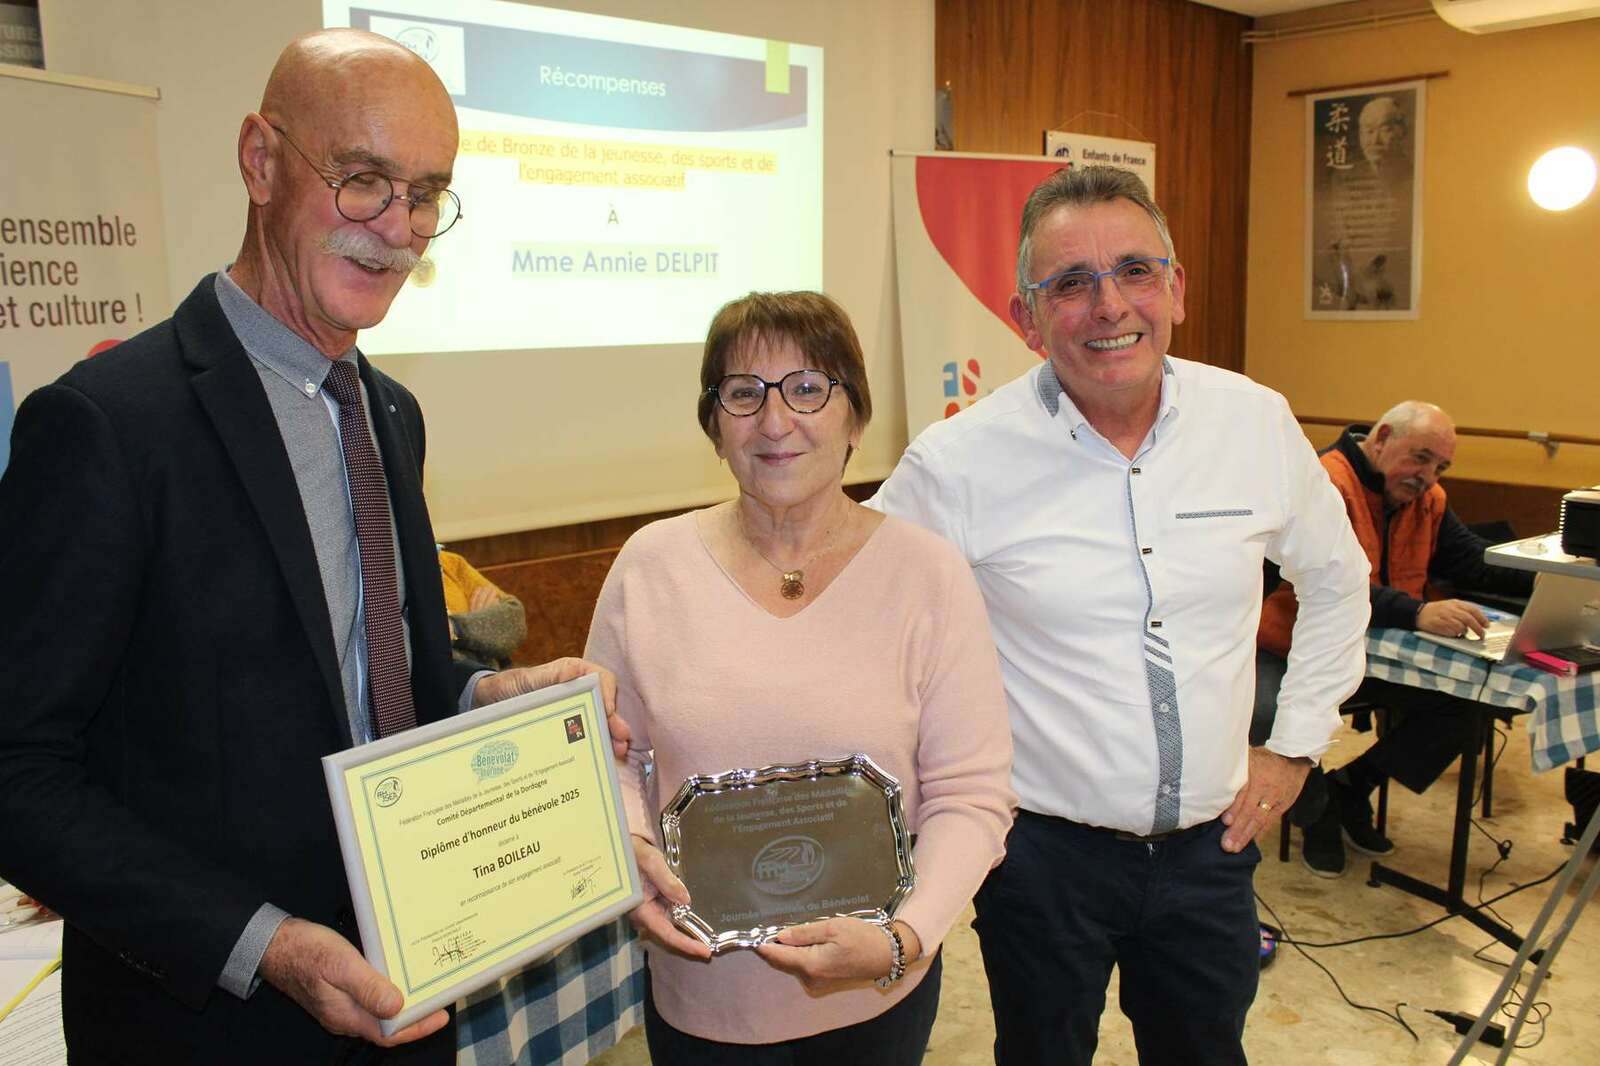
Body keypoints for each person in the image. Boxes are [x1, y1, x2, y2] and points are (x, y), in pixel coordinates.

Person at [0, 30, 623, 1065]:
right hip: (208, 1020)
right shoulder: (108, 426)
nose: (398, 228)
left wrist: (479, 698)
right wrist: (265, 944)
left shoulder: (391, 413)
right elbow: (16, 769)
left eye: (426, 194)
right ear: (260, 160)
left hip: (412, 987)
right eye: (364, 180)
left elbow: (380, 675)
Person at [871, 165, 1371, 1065]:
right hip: (1040, 862)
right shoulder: (957, 464)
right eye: (1069, 283)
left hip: (1211, 855)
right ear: (1026, 316)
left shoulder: (1253, 423)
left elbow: (1337, 582)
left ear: (1174, 288)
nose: (1109, 306)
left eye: (1134, 271)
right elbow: (861, 617)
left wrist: (1295, 746)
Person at [584, 291, 1015, 1064]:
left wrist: (901, 938)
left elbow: (972, 793)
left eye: (808, 388)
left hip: (876, 993)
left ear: (855, 417)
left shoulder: (928, 575)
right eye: (744, 393)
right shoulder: (650, 567)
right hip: (705, 994)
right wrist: (632, 846)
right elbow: (609, 754)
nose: (775, 421)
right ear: (715, 426)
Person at [1256, 401, 1534, 876]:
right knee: (1267, 712)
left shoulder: (1429, 499)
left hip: (1377, 654)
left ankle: (1352, 787)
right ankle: (1316, 809)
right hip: (1292, 645)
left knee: (1465, 704)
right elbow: (1327, 582)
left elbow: (1470, 560)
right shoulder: (1322, 480)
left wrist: (1550, 574)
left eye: (1441, 466)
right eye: (1421, 458)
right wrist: (1417, 612)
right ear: (1381, 437)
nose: (1428, 475)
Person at [439, 547, 527, 669]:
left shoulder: (449, 562)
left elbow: (516, 620)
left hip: (500, 676)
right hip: (463, 685)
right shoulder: (405, 588)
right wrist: (482, 630)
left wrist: (455, 628)